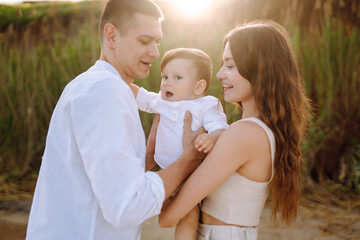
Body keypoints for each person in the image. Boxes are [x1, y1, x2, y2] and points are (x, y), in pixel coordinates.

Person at [26, 0, 205, 239]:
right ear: (111, 36)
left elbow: (100, 179)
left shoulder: (86, 85)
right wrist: (190, 158)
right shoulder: (105, 91)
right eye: (144, 40)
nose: (155, 52)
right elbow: (126, 207)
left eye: (157, 42)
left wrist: (148, 156)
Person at [157, 20, 311, 240]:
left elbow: (168, 217)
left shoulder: (243, 134)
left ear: (259, 69)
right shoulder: (261, 131)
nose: (219, 74)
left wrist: (188, 153)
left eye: (230, 65)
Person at [130, 48, 228, 239]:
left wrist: (211, 138)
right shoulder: (160, 102)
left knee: (189, 213)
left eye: (177, 77)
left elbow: (220, 128)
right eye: (165, 76)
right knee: (142, 200)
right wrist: (116, 77)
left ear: (198, 87)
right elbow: (139, 95)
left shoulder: (205, 106)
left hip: (193, 175)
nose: (167, 82)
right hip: (166, 171)